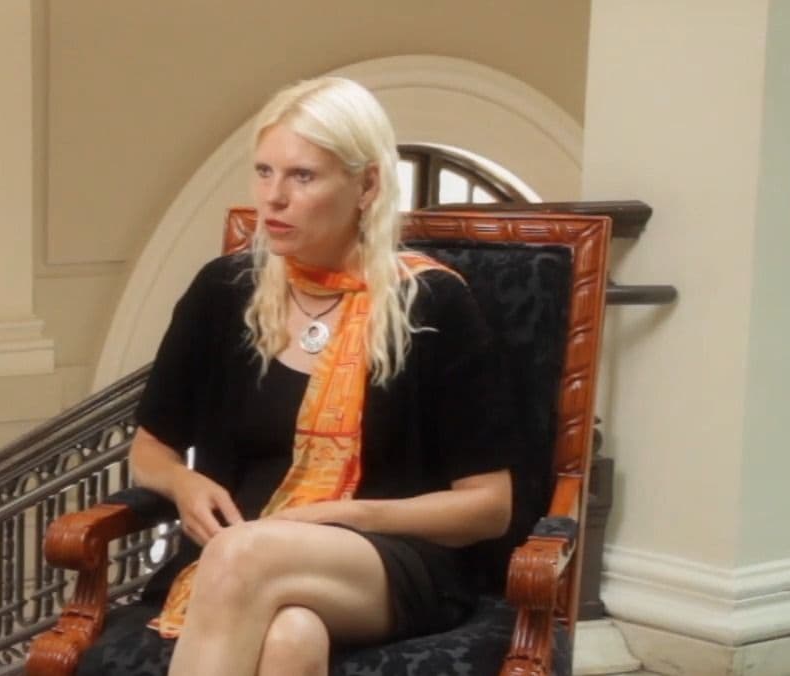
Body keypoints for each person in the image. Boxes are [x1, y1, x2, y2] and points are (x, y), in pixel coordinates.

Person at [100, 77, 516, 676]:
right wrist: (185, 485)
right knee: (290, 638)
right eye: (264, 172)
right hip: (238, 547)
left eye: (302, 176)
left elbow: (489, 507)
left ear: (367, 185)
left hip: (389, 559)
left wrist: (348, 514)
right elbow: (150, 452)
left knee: (242, 557)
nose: (273, 198)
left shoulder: (433, 304)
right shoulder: (223, 292)